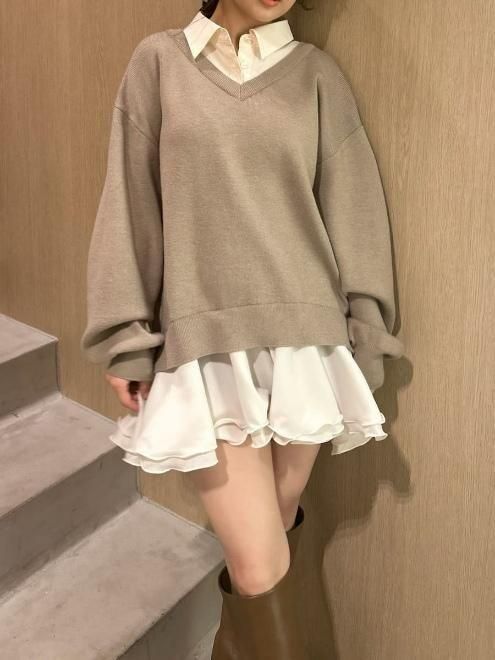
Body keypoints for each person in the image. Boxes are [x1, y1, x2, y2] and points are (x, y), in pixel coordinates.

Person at [80, 0, 405, 657]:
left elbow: (355, 212)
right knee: (260, 567)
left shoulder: (316, 74)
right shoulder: (159, 63)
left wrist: (366, 335)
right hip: (205, 346)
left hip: (308, 348)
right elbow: (130, 205)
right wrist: (126, 338)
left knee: (272, 541)